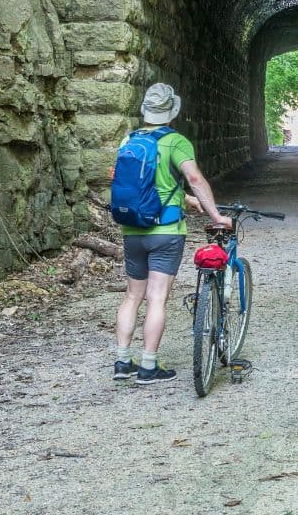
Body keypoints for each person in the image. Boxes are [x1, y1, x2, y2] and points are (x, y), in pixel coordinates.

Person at [112, 83, 232, 384]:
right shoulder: (175, 142)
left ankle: (122, 361)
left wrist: (184, 199)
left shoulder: (128, 140)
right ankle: (149, 366)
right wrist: (215, 214)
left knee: (132, 296)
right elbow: (193, 177)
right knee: (157, 298)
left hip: (132, 228)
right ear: (171, 112)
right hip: (165, 231)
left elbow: (139, 183)